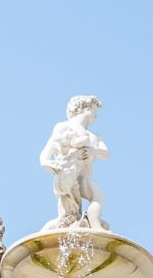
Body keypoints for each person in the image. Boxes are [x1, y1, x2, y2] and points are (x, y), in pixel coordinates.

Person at [38, 94, 108, 230]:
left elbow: (105, 154)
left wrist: (94, 151)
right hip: (68, 178)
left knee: (96, 197)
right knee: (72, 215)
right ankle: (95, 226)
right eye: (93, 110)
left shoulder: (95, 137)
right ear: (82, 109)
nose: (96, 115)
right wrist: (48, 163)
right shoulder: (63, 127)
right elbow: (46, 152)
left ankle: (94, 225)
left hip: (81, 179)